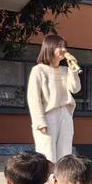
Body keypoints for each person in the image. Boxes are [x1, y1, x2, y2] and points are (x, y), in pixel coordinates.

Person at [28, 34, 82, 162]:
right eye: (59, 46)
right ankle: (47, 175)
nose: (63, 49)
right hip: (48, 114)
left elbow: (75, 89)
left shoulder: (65, 70)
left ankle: (62, 175)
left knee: (65, 153)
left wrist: (73, 71)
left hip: (65, 113)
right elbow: (34, 98)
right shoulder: (39, 70)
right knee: (47, 152)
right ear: (50, 48)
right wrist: (40, 122)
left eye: (64, 46)